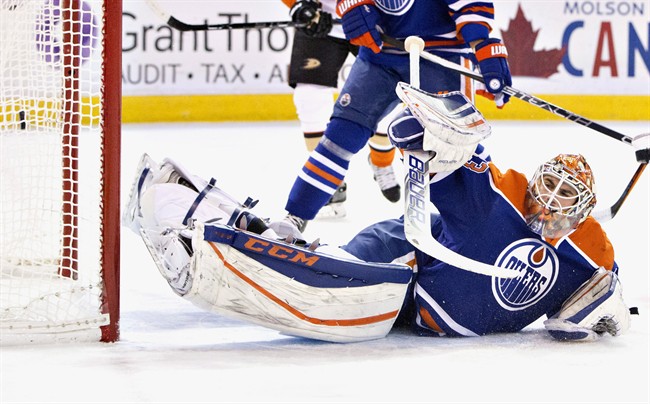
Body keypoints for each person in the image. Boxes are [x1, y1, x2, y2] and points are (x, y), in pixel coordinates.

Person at [122, 87, 632, 343]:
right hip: (410, 265)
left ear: (583, 212)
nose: (549, 204)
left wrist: (605, 315)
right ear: (533, 183)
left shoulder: (588, 252)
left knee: (351, 288)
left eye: (566, 199)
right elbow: (418, 140)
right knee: (346, 278)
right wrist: (432, 130)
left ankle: (207, 220)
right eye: (548, 189)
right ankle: (199, 210)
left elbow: (587, 312)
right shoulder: (495, 192)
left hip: (425, 308)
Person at [269, 0, 513, 238]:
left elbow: (470, 7)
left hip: (440, 52)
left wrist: (481, 44)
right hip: (379, 54)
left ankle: (486, 229)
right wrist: (352, 3)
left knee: (451, 147)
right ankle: (295, 217)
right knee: (341, 135)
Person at [282, 0, 402, 221]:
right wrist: (297, 4)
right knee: (309, 97)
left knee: (387, 97)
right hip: (321, 20)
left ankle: (381, 162)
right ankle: (329, 184)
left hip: (375, 19)